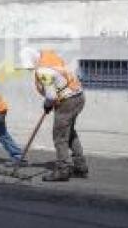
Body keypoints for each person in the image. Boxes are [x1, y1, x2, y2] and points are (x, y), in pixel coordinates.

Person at [20, 48, 87, 182]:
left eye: (30, 67)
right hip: (79, 97)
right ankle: (80, 166)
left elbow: (51, 96)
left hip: (67, 101)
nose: (31, 69)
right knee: (69, 133)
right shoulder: (52, 60)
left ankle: (63, 169)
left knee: (59, 136)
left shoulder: (43, 70)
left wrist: (47, 105)